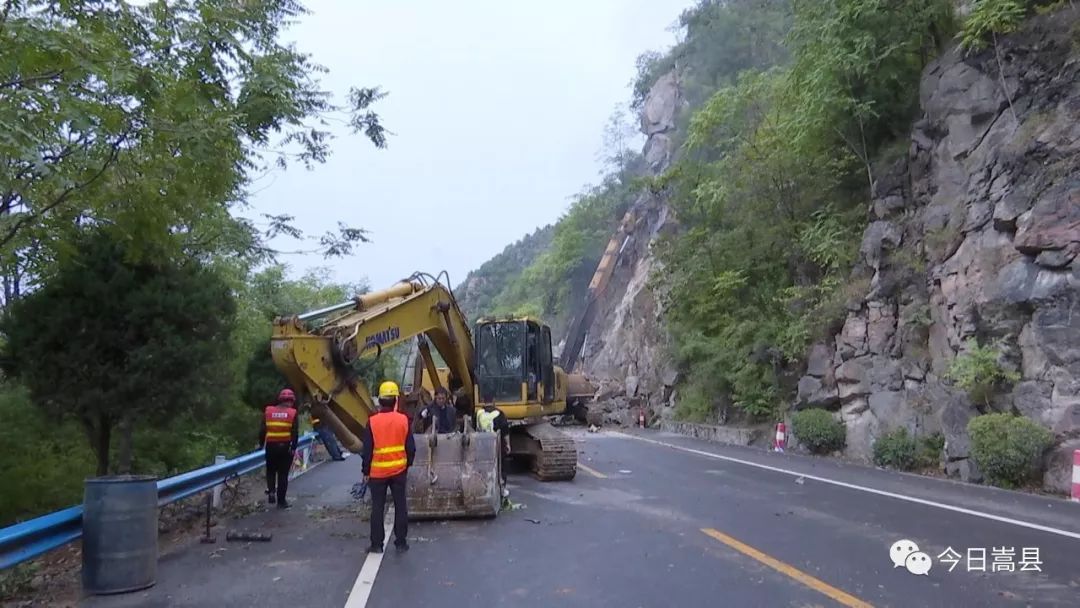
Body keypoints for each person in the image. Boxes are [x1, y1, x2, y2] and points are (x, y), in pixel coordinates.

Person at [361, 380, 416, 553]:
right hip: (399, 471)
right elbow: (411, 448)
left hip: (377, 473)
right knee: (401, 506)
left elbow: (367, 450)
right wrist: (407, 465)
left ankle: (377, 545)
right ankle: (401, 542)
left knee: (377, 508)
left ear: (380, 400)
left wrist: (366, 471)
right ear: (395, 400)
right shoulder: (403, 420)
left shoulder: (372, 422)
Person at [259, 388, 299, 508]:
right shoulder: (293, 413)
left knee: (270, 471)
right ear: (291, 401)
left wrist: (261, 444)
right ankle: (281, 502)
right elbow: (294, 433)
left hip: (271, 446)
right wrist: (293, 448)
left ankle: (271, 492)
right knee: (283, 474)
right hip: (285, 447)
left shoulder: (268, 411)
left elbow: (262, 430)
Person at [475, 394, 510, 496]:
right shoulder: (499, 414)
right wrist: (508, 444)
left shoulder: (478, 413)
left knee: (483, 467)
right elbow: (505, 431)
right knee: (500, 466)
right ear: (494, 400)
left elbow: (475, 429)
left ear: (483, 401)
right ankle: (502, 489)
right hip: (497, 445)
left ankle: (484, 488)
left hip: (482, 445)